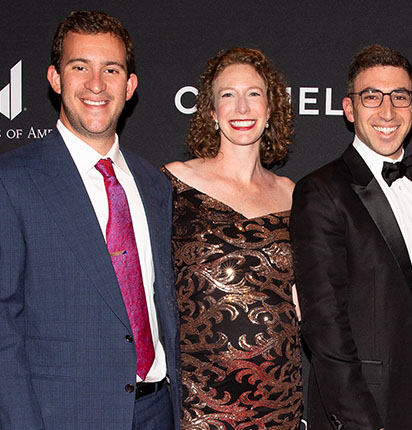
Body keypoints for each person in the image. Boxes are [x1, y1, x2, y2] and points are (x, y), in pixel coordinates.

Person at [0, 10, 181, 430]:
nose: (96, 84)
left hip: (157, 412)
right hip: (60, 416)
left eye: (111, 70)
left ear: (129, 86)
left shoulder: (154, 184)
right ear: (55, 78)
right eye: (80, 67)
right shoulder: (7, 180)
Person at [290, 44, 412, 430]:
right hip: (371, 402)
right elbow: (324, 323)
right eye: (371, 97)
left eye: (399, 97)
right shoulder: (321, 191)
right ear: (349, 109)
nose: (387, 111)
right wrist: (359, 420)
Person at [162, 48, 300, 429]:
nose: (242, 107)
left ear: (270, 109)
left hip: (278, 400)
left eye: (254, 93)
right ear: (211, 111)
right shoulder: (173, 184)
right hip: (200, 402)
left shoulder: (293, 195)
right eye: (228, 94)